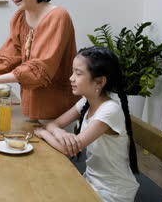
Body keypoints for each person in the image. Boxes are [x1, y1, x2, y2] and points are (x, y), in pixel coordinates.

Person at [34, 46, 139, 202]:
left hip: (113, 193)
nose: (71, 78)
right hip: (91, 181)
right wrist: (59, 132)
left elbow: (69, 149)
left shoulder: (109, 110)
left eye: (78, 73)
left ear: (99, 82)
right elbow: (54, 124)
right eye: (72, 72)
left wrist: (43, 133)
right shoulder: (86, 102)